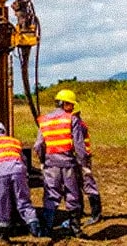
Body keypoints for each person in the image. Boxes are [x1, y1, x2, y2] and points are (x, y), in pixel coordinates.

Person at [34, 89, 89, 238]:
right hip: (68, 164)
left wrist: (42, 161)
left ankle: (47, 229)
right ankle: (76, 229)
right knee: (72, 195)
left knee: (51, 195)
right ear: (63, 104)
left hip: (51, 164)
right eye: (70, 105)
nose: (72, 108)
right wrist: (84, 164)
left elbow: (38, 145)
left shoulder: (44, 120)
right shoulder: (72, 119)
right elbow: (79, 145)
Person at [0, 121, 41, 239]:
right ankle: (34, 226)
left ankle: (4, 231)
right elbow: (23, 158)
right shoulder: (14, 141)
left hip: (0, 172)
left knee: (2, 201)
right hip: (19, 170)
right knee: (23, 200)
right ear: (4, 131)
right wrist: (25, 174)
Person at [72, 103, 102, 225]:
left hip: (82, 158)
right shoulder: (77, 122)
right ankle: (81, 212)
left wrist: (83, 162)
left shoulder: (77, 124)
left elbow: (79, 144)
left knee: (88, 184)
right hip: (78, 157)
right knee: (77, 184)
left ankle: (96, 214)